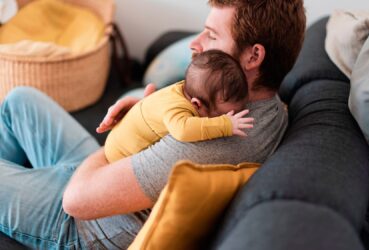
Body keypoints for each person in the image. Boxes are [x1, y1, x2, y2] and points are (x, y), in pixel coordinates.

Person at [0, 0, 306, 249]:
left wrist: (121, 134)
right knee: (19, 100)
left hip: (83, 225)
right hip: (112, 179)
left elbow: (76, 201)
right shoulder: (271, 108)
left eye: (212, 36)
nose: (196, 45)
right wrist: (144, 115)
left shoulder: (207, 138)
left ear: (254, 55)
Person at [105, 49, 254, 163]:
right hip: (119, 154)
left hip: (117, 138)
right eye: (222, 115)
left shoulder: (183, 89)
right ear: (197, 104)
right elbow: (183, 130)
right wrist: (225, 125)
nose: (230, 117)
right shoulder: (178, 109)